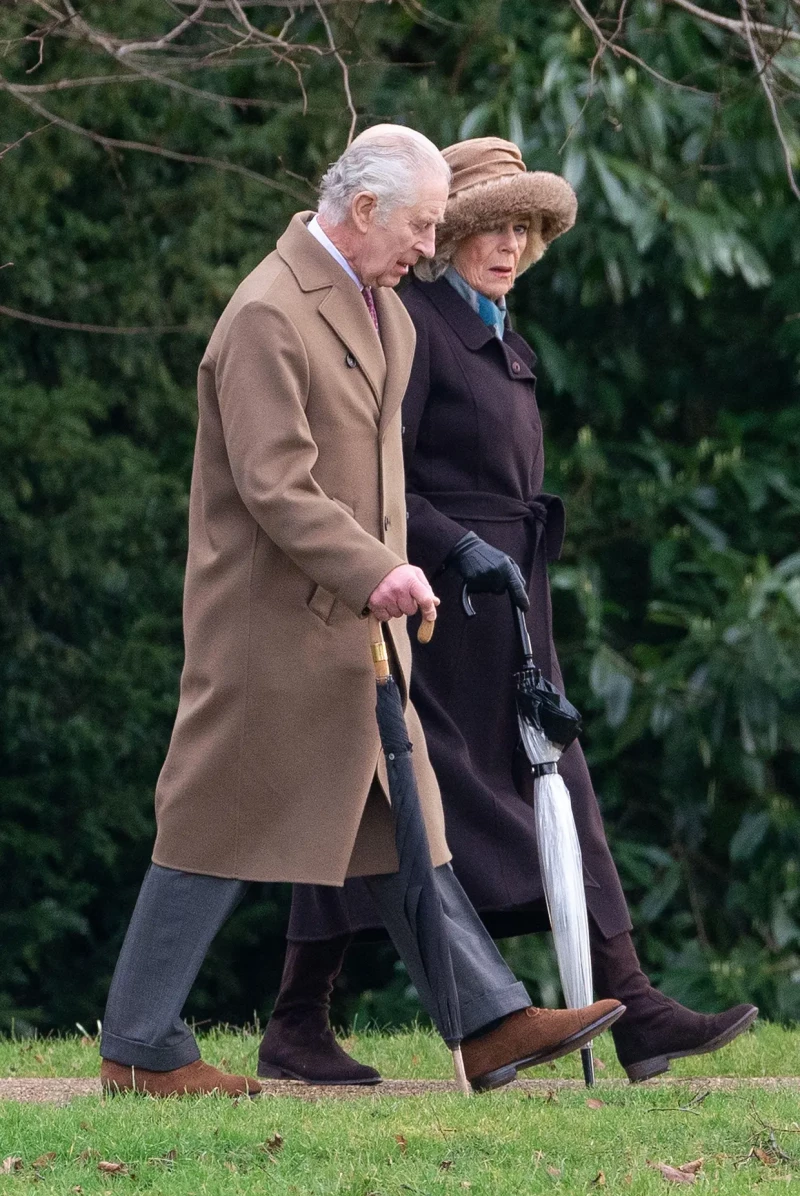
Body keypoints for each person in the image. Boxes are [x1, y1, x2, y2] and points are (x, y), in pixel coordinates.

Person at [98, 127, 624, 1098]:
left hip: (357, 635)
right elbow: (275, 485)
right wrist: (376, 569)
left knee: (403, 829)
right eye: (422, 225)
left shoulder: (379, 307)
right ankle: (138, 1048)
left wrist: (385, 579)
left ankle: (487, 1024)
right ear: (367, 208)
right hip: (271, 636)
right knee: (209, 830)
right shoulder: (266, 313)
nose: (428, 248)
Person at [270, 137, 758, 1087]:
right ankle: (303, 1017)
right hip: (432, 606)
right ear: (444, 235)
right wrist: (455, 549)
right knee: (381, 802)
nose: (508, 244)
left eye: (524, 228)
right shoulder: (412, 324)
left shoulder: (502, 333)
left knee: (556, 789)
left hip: (510, 600)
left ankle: (631, 1001)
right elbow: (382, 477)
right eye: (488, 226)